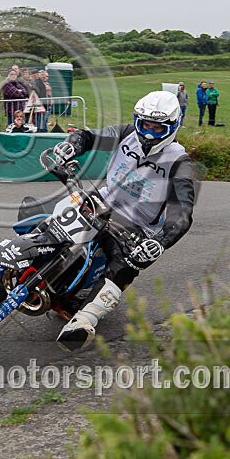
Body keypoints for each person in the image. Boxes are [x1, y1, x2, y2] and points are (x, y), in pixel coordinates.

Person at [51, 90, 195, 350]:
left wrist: (160, 242)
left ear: (173, 127)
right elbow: (89, 136)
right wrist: (72, 145)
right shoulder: (127, 132)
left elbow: (182, 213)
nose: (148, 134)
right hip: (101, 202)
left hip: (135, 227)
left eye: (158, 128)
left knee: (127, 265)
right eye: (145, 125)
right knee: (53, 221)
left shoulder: (180, 161)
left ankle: (83, 321)